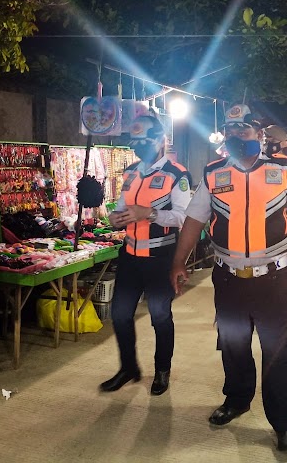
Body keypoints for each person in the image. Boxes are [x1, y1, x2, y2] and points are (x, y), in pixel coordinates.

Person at [169, 104, 287, 453]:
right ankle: (237, 400)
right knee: (234, 344)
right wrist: (178, 261)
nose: (238, 135)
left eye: (245, 130)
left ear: (259, 135)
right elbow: (194, 220)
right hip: (228, 278)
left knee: (277, 350)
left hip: (274, 278)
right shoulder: (213, 173)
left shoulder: (283, 170)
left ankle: (284, 423)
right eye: (232, 130)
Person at [100, 115, 192, 395]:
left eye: (145, 141)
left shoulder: (177, 174)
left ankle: (162, 371)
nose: (140, 146)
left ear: (160, 140)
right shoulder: (130, 173)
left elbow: (183, 217)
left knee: (160, 316)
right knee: (120, 315)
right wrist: (114, 218)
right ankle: (128, 368)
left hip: (160, 256)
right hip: (129, 255)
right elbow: (119, 207)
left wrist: (149, 213)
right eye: (135, 142)